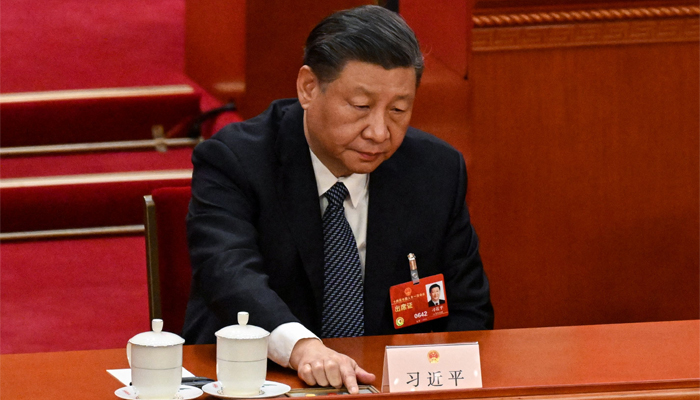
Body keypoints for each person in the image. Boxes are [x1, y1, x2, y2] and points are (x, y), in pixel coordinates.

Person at [183, 5, 494, 394]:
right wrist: (303, 347)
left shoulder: (435, 170)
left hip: (384, 386)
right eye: (361, 107)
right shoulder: (236, 159)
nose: (380, 131)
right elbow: (228, 274)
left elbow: (469, 310)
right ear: (309, 88)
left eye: (399, 109)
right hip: (255, 380)